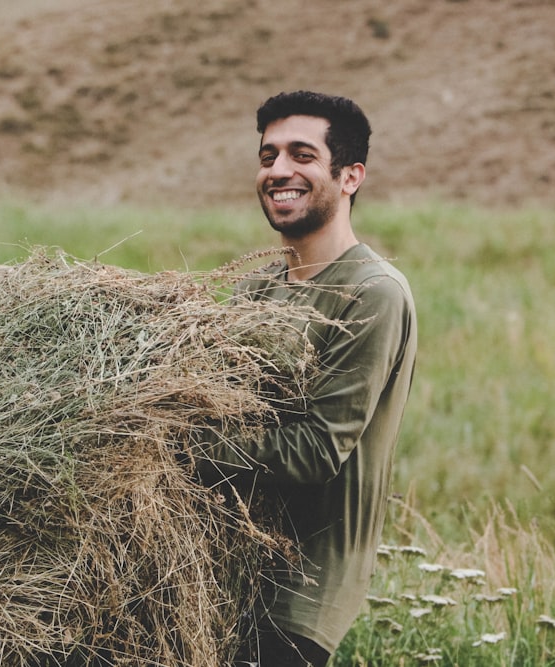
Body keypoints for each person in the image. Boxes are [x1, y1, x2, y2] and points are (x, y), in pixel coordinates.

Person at [198, 91, 418, 666]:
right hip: (219, 574)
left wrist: (177, 443)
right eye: (268, 156)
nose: (278, 171)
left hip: (303, 594)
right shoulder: (254, 290)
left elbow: (316, 451)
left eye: (302, 155)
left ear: (350, 176)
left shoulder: (374, 293)